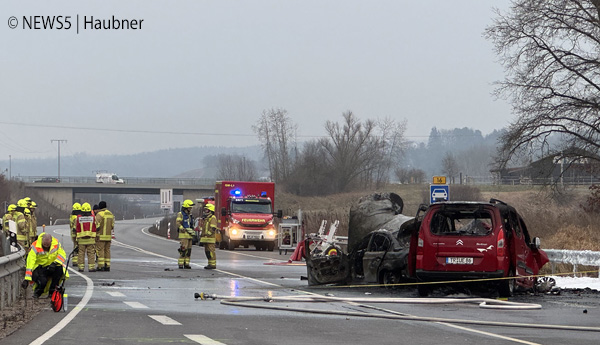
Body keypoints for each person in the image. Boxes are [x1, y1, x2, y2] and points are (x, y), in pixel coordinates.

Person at [22, 233, 68, 298]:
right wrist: (27, 279)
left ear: (51, 241)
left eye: (48, 244)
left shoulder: (56, 244)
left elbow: (62, 255)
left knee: (59, 269)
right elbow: (30, 263)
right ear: (42, 240)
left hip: (51, 266)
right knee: (42, 282)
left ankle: (52, 291)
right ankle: (37, 292)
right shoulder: (35, 246)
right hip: (39, 267)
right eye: (44, 244)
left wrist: (55, 263)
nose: (46, 246)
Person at [76, 202, 97, 272]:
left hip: (81, 239)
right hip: (91, 239)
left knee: (81, 254)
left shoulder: (78, 218)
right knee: (91, 254)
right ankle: (91, 267)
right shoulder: (93, 217)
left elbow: (75, 227)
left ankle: (81, 267)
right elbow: (97, 226)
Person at [95, 201, 114, 271]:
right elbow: (112, 226)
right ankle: (107, 265)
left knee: (100, 251)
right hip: (108, 236)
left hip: (101, 236)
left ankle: (100, 266)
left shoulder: (99, 214)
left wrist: (96, 235)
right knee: (107, 250)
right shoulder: (110, 214)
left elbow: (96, 226)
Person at [176, 199, 195, 269]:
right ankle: (181, 263)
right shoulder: (180, 214)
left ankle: (187, 263)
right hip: (184, 235)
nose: (191, 208)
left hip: (189, 235)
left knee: (189, 250)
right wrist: (182, 228)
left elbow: (190, 224)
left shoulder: (190, 215)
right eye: (190, 207)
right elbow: (178, 222)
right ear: (186, 207)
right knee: (183, 249)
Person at [200, 203, 218, 269]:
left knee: (211, 251)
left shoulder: (212, 218)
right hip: (206, 238)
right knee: (207, 252)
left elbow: (213, 228)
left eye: (207, 210)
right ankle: (209, 263)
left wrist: (208, 233)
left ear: (210, 210)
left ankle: (213, 264)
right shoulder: (206, 218)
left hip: (210, 238)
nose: (205, 211)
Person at [70, 203, 82, 267]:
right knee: (78, 248)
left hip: (73, 234)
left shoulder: (72, 217)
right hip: (77, 234)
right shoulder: (76, 217)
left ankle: (74, 260)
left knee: (75, 246)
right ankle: (77, 261)